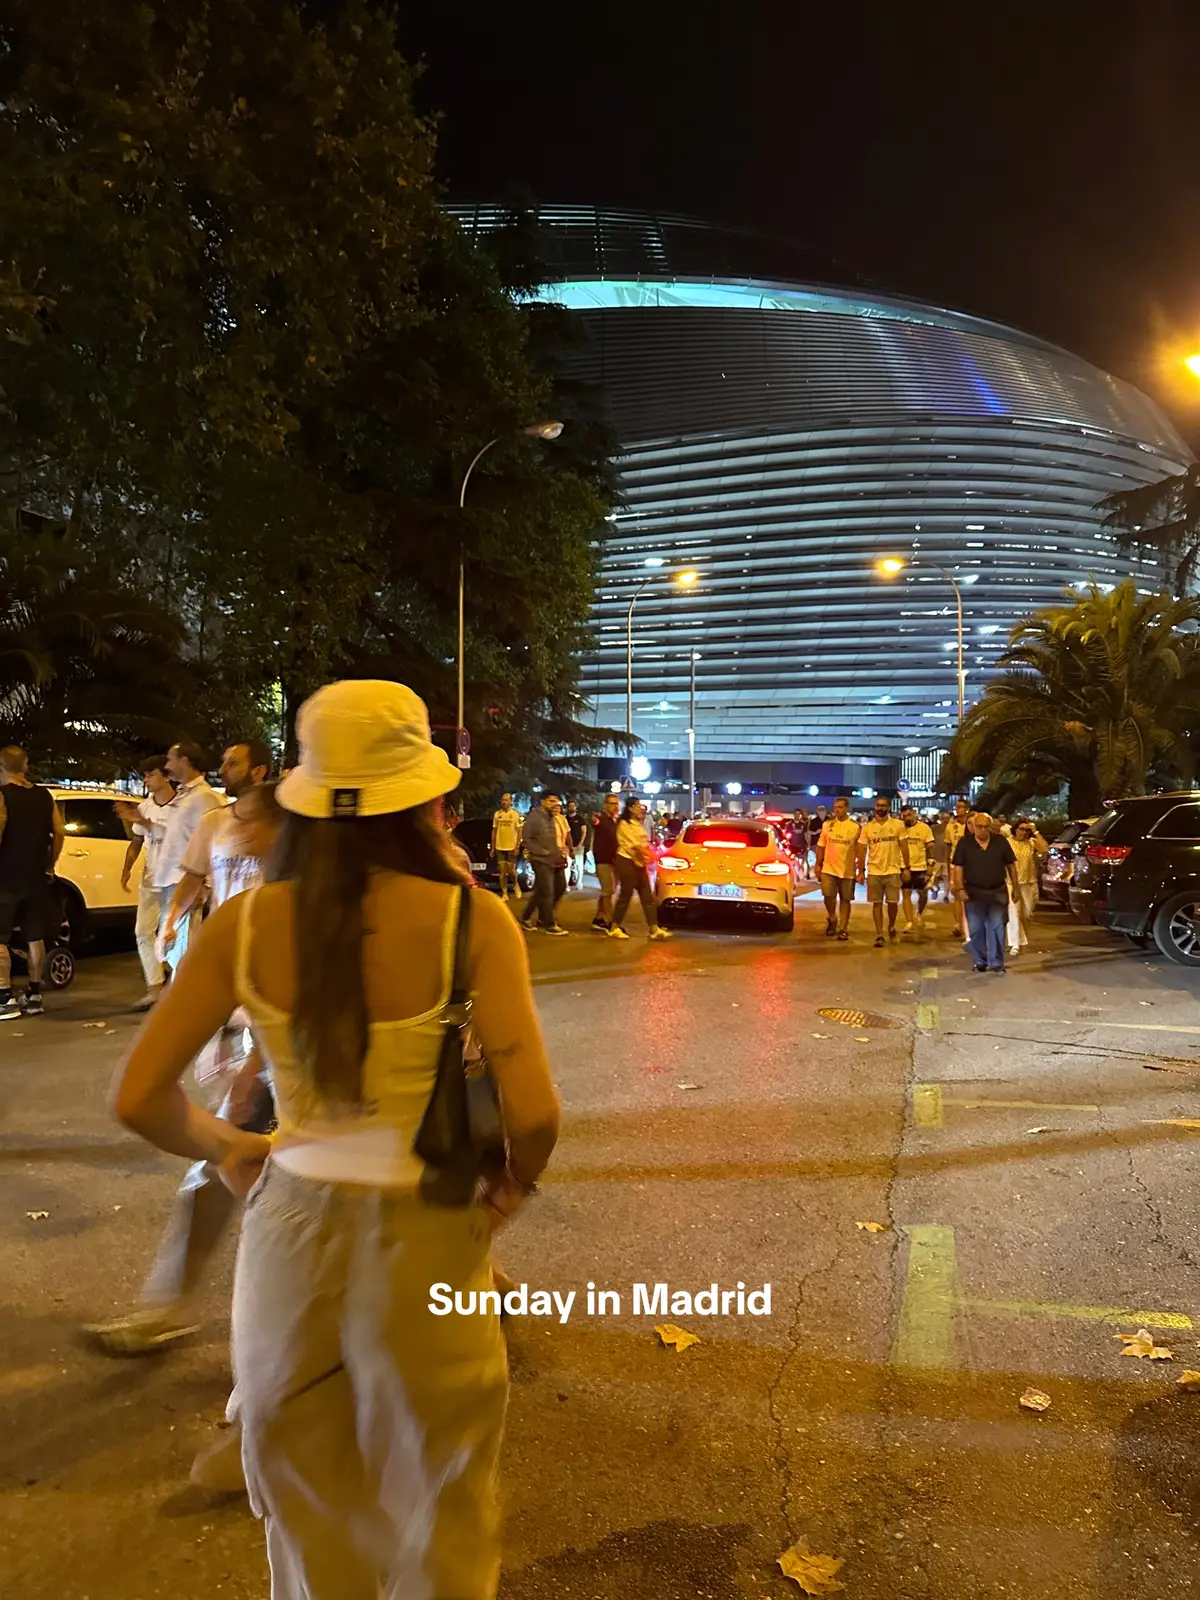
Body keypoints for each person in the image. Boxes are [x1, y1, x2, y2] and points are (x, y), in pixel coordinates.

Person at [111, 678, 560, 1598]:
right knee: (445, 1494)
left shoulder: (245, 924)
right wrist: (511, 1188)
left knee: (308, 1501)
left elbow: (141, 1097)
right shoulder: (472, 921)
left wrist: (235, 1149)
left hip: (289, 1229)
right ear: (427, 801)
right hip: (432, 1226)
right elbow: (536, 1112)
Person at [86, 778, 284, 1360]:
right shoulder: (264, 897)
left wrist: (252, 1069)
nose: (235, 828)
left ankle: (475, 1285)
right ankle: (170, 1307)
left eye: (249, 819)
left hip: (285, 1063)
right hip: (267, 1046)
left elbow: (137, 1095)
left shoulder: (280, 904)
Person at [159, 740, 273, 947]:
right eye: (223, 763)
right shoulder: (213, 821)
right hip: (223, 938)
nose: (221, 770)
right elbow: (192, 877)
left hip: (267, 940)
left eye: (232, 764)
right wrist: (171, 921)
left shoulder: (283, 823)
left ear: (258, 771)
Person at [0, 746, 64, 1021]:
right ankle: (34, 994)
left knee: (0, 938)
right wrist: (51, 862)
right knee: (34, 937)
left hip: (6, 878)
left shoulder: (3, 796)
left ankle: (4, 998)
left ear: (1, 766)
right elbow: (59, 831)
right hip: (37, 877)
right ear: (24, 766)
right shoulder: (43, 795)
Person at [153, 741, 223, 971]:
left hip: (184, 883)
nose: (167, 765)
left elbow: (213, 841)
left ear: (184, 760)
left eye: (170, 759)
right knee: (170, 950)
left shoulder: (204, 797)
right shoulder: (183, 796)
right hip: (170, 882)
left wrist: (204, 884)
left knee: (181, 954)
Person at [118, 756, 178, 1010]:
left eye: (151, 774)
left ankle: (179, 988)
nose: (146, 780)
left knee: (172, 934)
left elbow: (181, 838)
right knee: (143, 931)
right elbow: (137, 842)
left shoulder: (183, 806)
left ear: (166, 776)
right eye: (144, 775)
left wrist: (146, 823)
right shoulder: (145, 807)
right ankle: (155, 988)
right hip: (151, 878)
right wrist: (126, 869)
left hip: (177, 879)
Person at [951, 810, 1019, 973]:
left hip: (997, 890)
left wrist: (1015, 887)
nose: (983, 830)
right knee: (976, 928)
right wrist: (959, 888)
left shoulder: (1000, 842)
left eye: (986, 827)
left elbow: (1011, 865)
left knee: (997, 927)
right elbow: (958, 867)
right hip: (973, 891)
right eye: (979, 826)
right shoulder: (964, 843)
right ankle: (980, 961)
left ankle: (996, 963)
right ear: (973, 827)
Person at [609, 797, 670, 940]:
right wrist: (653, 856)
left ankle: (654, 928)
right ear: (630, 808)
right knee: (626, 894)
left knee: (647, 895)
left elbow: (644, 843)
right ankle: (614, 926)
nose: (640, 808)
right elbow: (634, 845)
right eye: (637, 806)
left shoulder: (637, 823)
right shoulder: (624, 824)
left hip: (639, 862)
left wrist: (649, 854)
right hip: (627, 861)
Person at [857, 795, 910, 948]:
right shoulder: (867, 827)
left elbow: (904, 847)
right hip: (874, 871)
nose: (880, 808)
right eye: (878, 805)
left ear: (888, 807)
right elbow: (861, 850)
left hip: (893, 870)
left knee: (892, 904)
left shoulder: (898, 825)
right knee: (877, 904)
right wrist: (860, 871)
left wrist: (906, 867)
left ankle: (891, 926)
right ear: (875, 807)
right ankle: (879, 934)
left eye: (883, 805)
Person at [519, 793, 571, 936]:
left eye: (556, 801)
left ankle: (527, 917)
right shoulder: (534, 817)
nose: (554, 804)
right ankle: (549, 923)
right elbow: (526, 838)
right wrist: (541, 851)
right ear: (542, 802)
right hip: (540, 860)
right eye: (551, 801)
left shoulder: (552, 817)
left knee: (556, 888)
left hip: (556, 859)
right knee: (547, 891)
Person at [814, 796, 860, 941]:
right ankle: (832, 918)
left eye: (840, 807)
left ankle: (843, 928)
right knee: (828, 896)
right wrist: (818, 864)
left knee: (845, 899)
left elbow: (859, 849)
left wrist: (860, 869)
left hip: (847, 870)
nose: (837, 810)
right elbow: (821, 846)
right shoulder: (828, 825)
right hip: (829, 868)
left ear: (847, 809)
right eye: (835, 808)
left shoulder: (855, 827)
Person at [1009, 818, 1049, 948]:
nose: (1024, 832)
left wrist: (1035, 831)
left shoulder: (1031, 843)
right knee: (1015, 913)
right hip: (1012, 883)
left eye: (1027, 830)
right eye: (1021, 829)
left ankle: (1022, 937)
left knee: (1026, 914)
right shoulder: (1007, 842)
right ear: (1015, 829)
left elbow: (1044, 848)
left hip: (1029, 883)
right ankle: (1016, 943)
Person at [899, 805, 935, 931]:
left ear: (914, 814)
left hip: (920, 866)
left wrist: (931, 864)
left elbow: (930, 846)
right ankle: (909, 921)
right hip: (904, 866)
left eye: (909, 815)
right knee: (906, 893)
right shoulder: (900, 828)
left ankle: (919, 913)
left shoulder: (924, 828)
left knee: (922, 893)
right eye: (904, 816)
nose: (906, 818)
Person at [590, 792, 621, 932]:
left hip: (614, 860)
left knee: (608, 891)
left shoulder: (615, 821)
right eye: (612, 803)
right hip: (603, 860)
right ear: (605, 805)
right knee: (608, 891)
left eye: (616, 803)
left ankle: (598, 918)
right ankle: (609, 922)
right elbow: (595, 823)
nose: (615, 806)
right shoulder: (600, 819)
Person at [942, 799, 973, 940]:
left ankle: (971, 923)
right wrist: (948, 866)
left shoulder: (973, 823)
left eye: (961, 807)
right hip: (956, 864)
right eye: (956, 807)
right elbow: (948, 848)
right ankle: (957, 924)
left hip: (971, 863)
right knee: (956, 895)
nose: (958, 809)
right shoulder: (951, 827)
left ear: (967, 808)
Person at [490, 793, 523, 900]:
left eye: (506, 800)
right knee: (502, 872)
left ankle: (515, 885)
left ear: (510, 801)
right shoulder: (497, 814)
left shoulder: (515, 814)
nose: (504, 802)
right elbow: (494, 831)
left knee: (511, 871)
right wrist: (493, 847)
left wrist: (517, 846)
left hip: (511, 846)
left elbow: (519, 831)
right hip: (500, 847)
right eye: (502, 800)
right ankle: (504, 893)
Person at [928, 809, 951, 900]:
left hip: (947, 858)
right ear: (940, 819)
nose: (946, 820)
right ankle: (935, 889)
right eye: (944, 818)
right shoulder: (934, 828)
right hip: (937, 856)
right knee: (935, 877)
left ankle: (946, 895)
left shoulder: (953, 829)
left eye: (947, 818)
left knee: (946, 877)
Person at [565, 799, 586, 888]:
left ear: (575, 807)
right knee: (567, 866)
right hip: (567, 846)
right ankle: (566, 885)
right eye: (570, 806)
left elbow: (584, 832)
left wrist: (580, 843)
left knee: (579, 865)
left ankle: (579, 882)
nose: (571, 807)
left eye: (573, 806)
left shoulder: (580, 819)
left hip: (578, 846)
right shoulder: (565, 819)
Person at [789, 808, 812, 878]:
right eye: (796, 814)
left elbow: (806, 834)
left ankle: (807, 874)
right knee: (794, 861)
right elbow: (787, 835)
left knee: (805, 860)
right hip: (793, 846)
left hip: (802, 845)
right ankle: (796, 875)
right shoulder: (789, 824)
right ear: (794, 815)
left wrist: (808, 843)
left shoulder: (803, 824)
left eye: (798, 814)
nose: (797, 815)